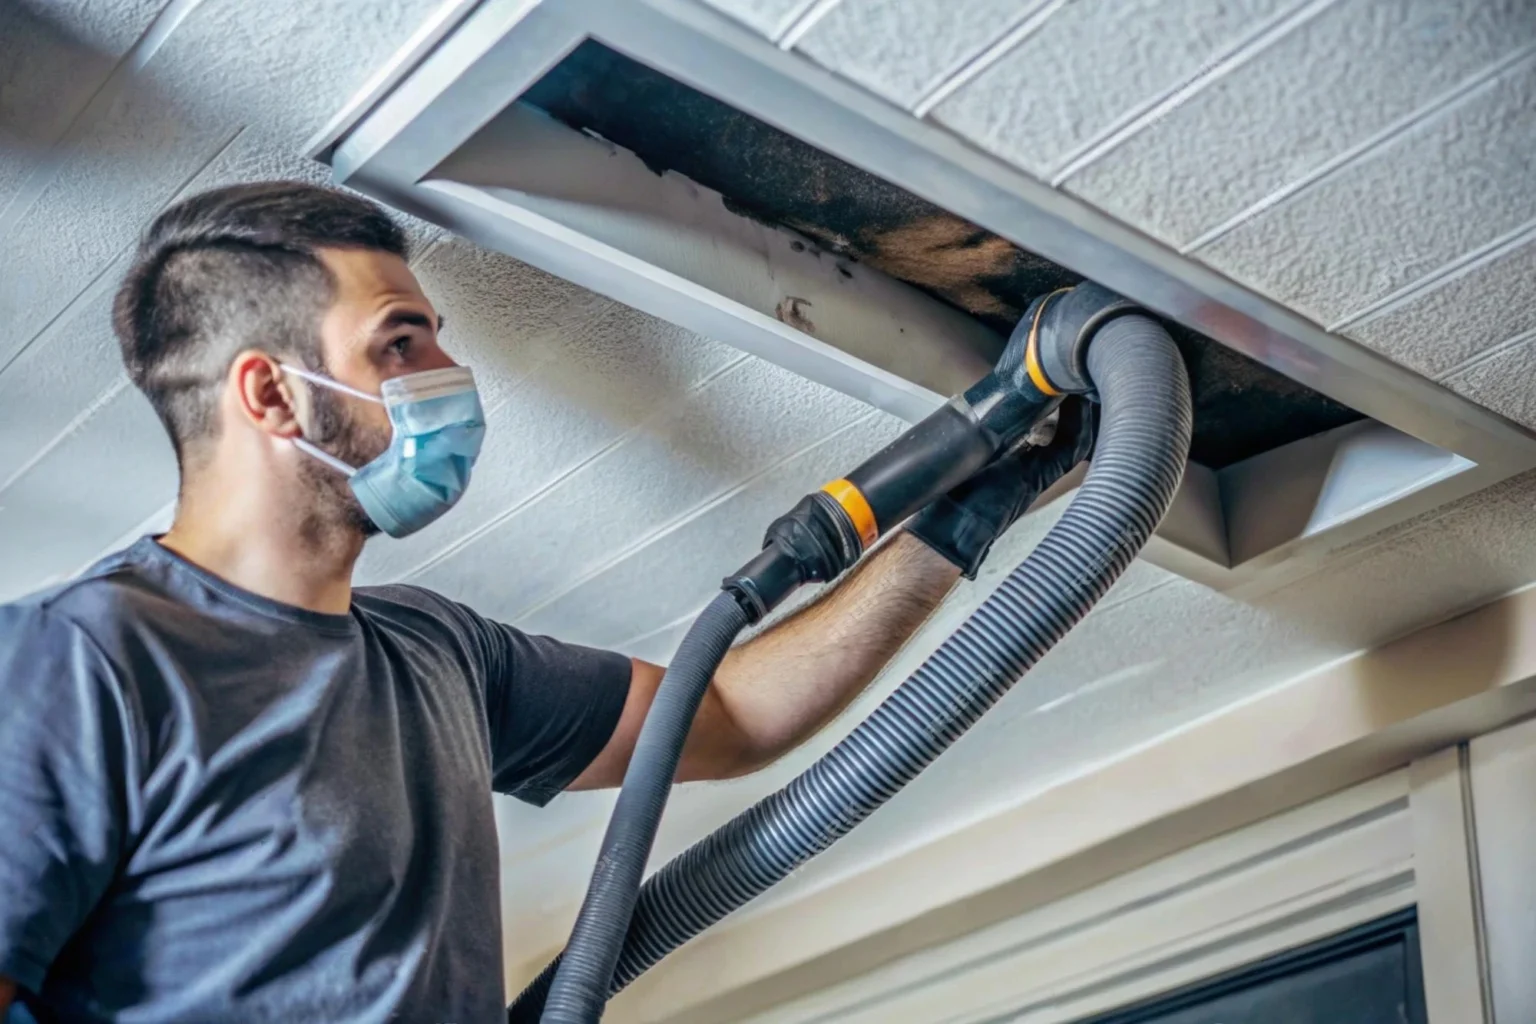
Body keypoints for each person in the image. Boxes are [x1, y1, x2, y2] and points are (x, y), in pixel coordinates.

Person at [0, 182, 1092, 1024]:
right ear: (269, 391)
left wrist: (963, 521)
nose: (445, 369)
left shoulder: (436, 650)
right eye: (400, 341)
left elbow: (729, 717)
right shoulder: (76, 659)